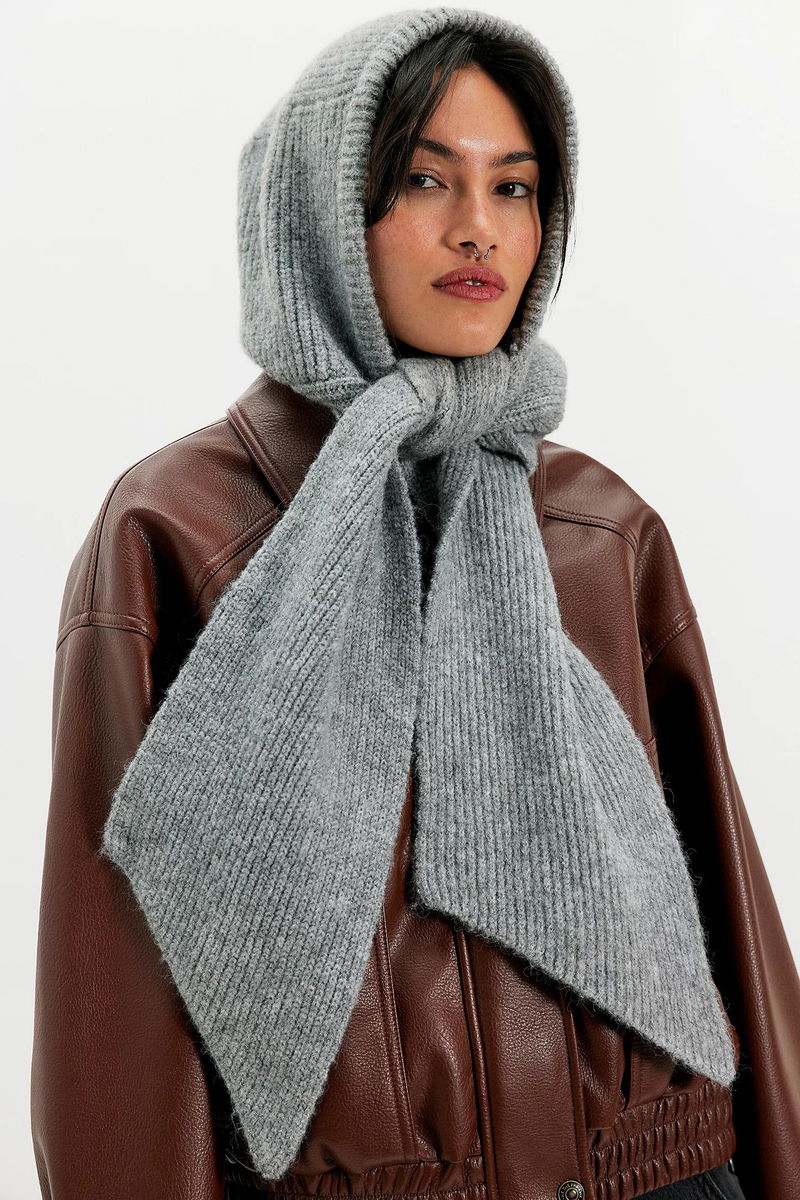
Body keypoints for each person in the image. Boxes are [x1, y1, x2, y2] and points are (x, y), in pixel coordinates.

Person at [30, 9, 800, 1200]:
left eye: (514, 187)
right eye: (424, 179)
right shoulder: (175, 533)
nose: (477, 226)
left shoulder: (598, 527)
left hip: (665, 1173)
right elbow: (116, 991)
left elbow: (734, 917)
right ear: (315, 213)